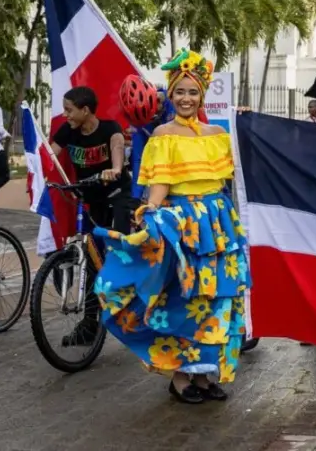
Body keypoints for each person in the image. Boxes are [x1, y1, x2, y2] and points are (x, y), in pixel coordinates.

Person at [93, 49, 249, 404]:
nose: (186, 98)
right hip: (184, 227)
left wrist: (246, 121)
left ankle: (205, 375)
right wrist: (150, 209)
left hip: (218, 227)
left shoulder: (217, 134)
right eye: (179, 91)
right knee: (183, 298)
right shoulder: (163, 134)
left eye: (193, 92)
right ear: (171, 95)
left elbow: (231, 179)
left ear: (202, 96)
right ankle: (180, 378)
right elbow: (160, 184)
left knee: (217, 300)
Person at [50, 86, 134, 346]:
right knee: (91, 259)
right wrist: (40, 167)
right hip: (91, 199)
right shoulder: (68, 131)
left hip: (117, 195)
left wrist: (115, 169)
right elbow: (50, 154)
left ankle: (132, 305)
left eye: (69, 110)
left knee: (118, 251)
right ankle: (89, 327)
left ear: (85, 110)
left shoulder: (109, 128)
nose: (65, 115)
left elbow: (117, 147)